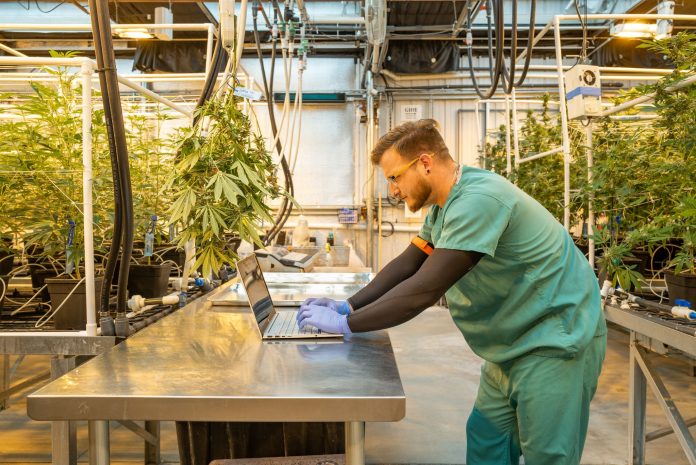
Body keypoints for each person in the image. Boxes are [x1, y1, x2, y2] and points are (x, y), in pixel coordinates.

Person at [296, 118, 606, 465]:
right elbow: (409, 264)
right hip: (512, 342)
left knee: (549, 455)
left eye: (395, 177)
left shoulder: (479, 199)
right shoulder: (446, 205)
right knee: (487, 437)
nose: (393, 191)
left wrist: (349, 326)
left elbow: (424, 289)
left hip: (554, 338)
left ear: (425, 163)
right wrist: (348, 305)